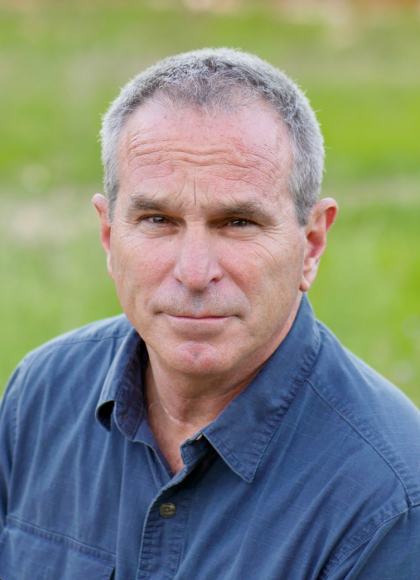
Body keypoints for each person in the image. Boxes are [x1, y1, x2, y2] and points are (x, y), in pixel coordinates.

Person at [0, 48, 419, 580]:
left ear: (311, 244)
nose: (195, 272)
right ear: (108, 234)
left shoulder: (389, 500)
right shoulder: (41, 396)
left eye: (238, 223)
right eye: (158, 219)